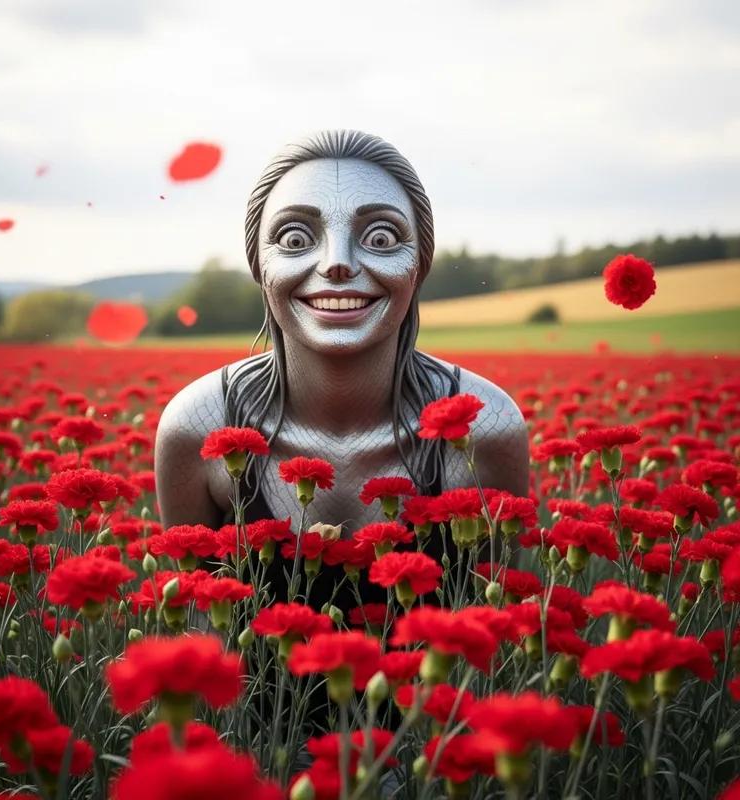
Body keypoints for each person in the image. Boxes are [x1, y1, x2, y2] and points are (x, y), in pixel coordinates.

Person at [154, 129, 530, 613]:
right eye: (295, 238)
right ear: (258, 264)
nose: (337, 264)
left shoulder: (486, 427)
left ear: (420, 262)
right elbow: (192, 635)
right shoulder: (199, 426)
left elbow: (498, 634)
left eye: (380, 237)